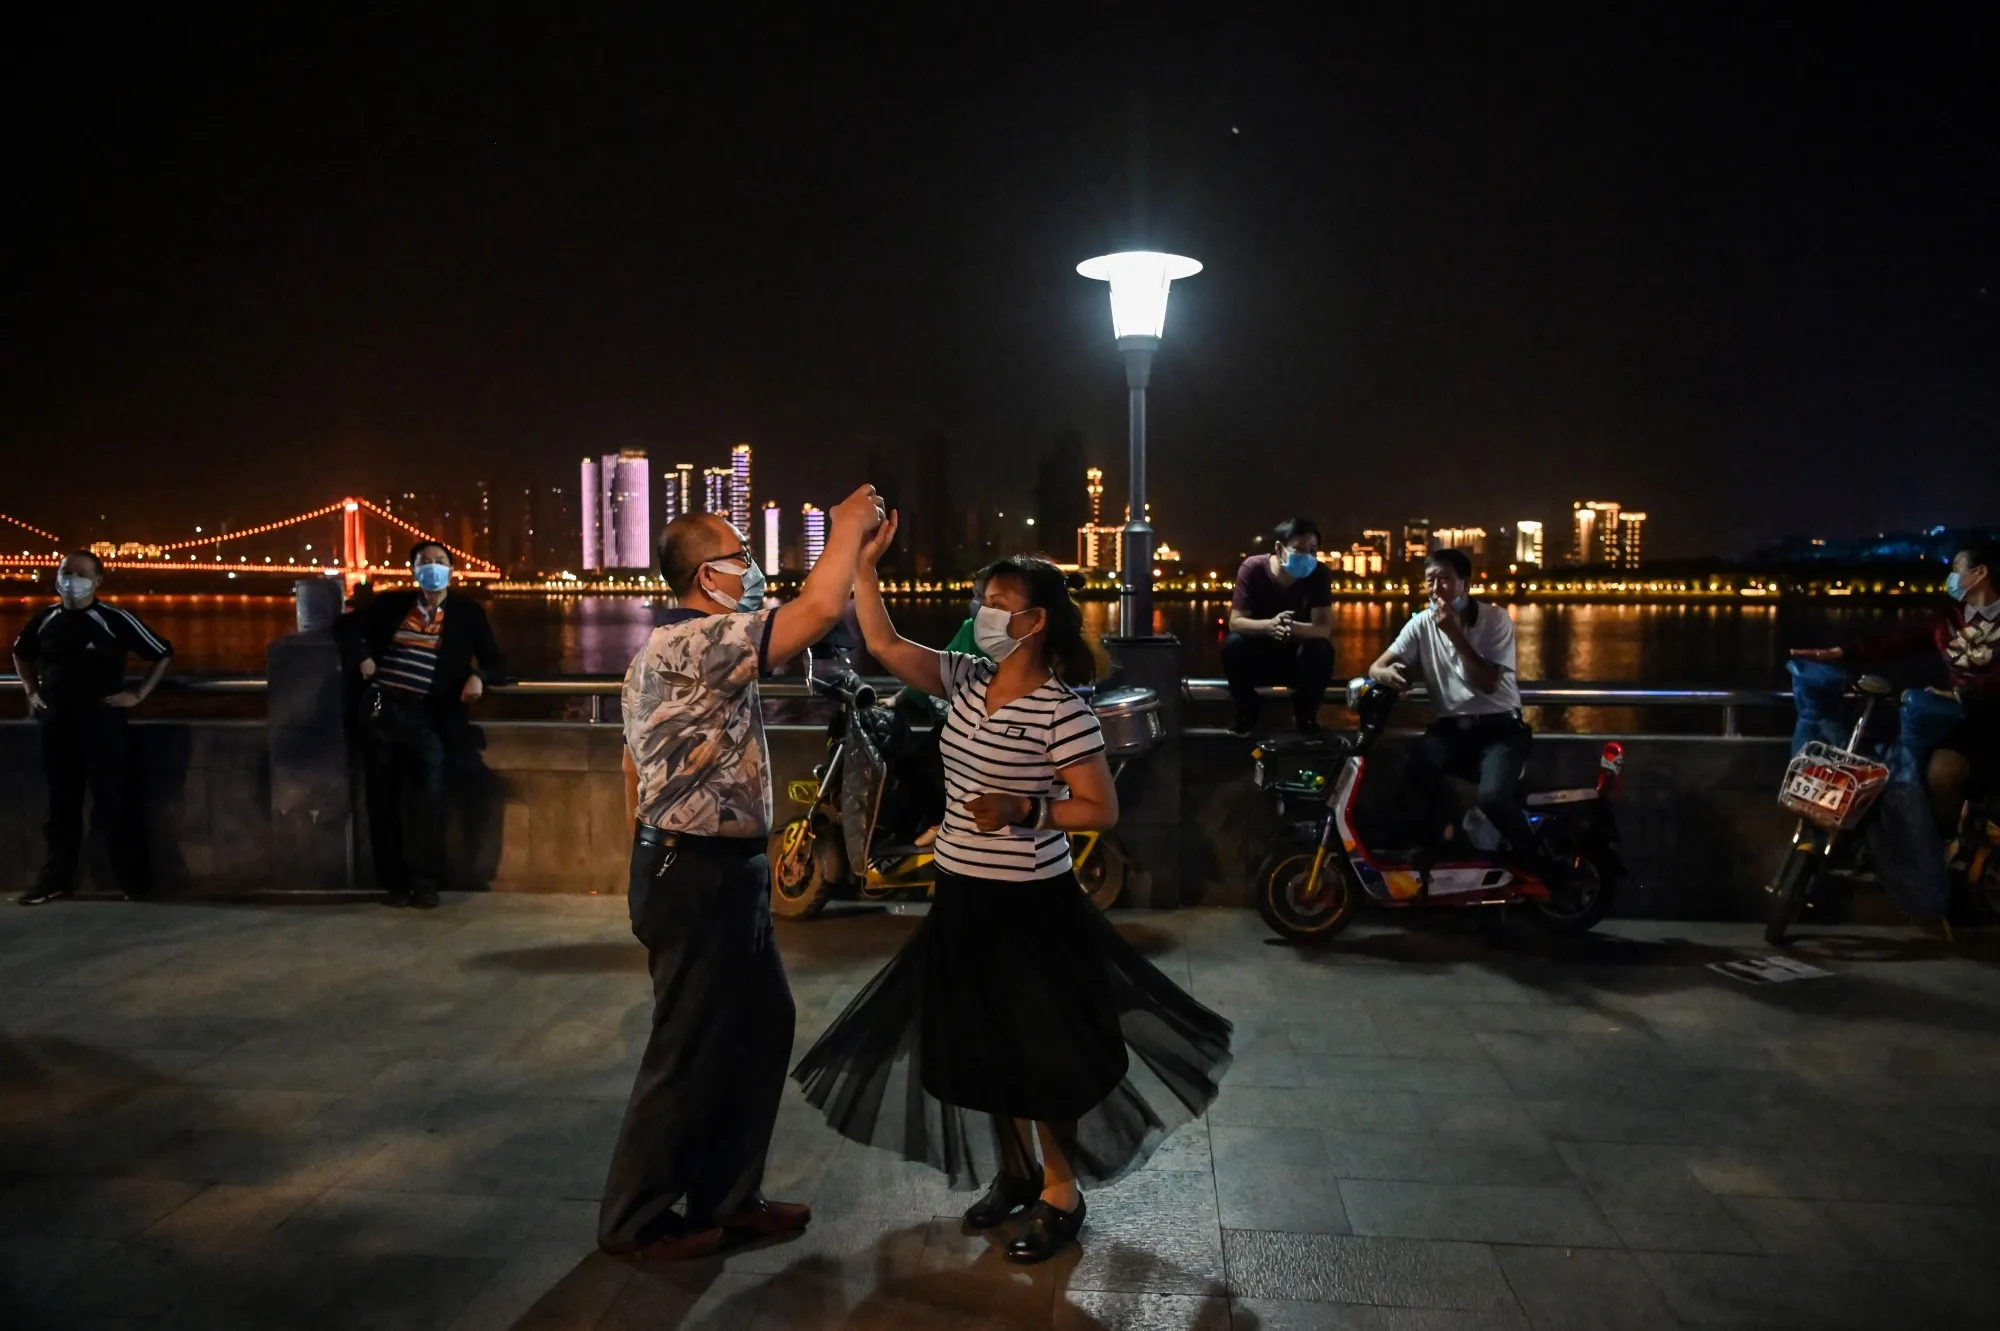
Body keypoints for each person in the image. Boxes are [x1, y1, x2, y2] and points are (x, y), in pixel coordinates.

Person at [793, 516, 1232, 1266]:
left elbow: (1100, 806)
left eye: (999, 601)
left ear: (1034, 620)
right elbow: (887, 644)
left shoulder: (1063, 709)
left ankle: (1063, 1192)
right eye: (981, 599)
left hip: (1031, 902)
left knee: (1039, 1049)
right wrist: (864, 565)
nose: (982, 613)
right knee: (981, 1041)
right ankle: (1017, 1170)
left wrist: (1025, 808)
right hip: (963, 891)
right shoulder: (965, 680)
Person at [598, 483, 886, 1262]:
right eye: (743, 556)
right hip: (695, 873)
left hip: (724, 868)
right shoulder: (690, 642)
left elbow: (633, 765)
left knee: (761, 1028)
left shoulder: (701, 644)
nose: (755, 569)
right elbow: (816, 613)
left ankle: (728, 1196)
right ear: (705, 574)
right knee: (687, 1045)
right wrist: (848, 522)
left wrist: (856, 560)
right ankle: (636, 1220)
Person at [335, 542, 505, 909]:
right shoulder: (393, 604)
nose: (432, 568)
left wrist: (479, 677)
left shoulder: (466, 613)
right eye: (424, 562)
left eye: (440, 562)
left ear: (452, 570)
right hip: (382, 711)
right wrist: (362, 658)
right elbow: (345, 626)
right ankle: (393, 883)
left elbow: (497, 661)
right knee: (382, 801)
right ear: (412, 569)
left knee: (428, 800)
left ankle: (426, 880)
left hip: (430, 717)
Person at [1791, 540, 1998, 833]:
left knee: (1946, 773)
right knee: (1920, 770)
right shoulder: (1947, 620)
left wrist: (1962, 693)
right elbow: (1896, 642)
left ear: (1980, 573)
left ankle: (1961, 847)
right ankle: (1945, 845)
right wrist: (1840, 653)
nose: (1951, 577)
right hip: (1959, 722)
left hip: (1992, 721)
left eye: (1956, 569)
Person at [1366, 547, 1537, 881]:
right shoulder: (1420, 624)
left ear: (1465, 584)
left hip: (1500, 729)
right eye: (1430, 580)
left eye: (1445, 579)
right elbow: (1377, 665)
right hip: (1452, 730)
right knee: (1415, 769)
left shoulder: (1494, 620)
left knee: (1493, 798)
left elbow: (1488, 683)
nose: (1436, 588)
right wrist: (1388, 675)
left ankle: (1538, 867)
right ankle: (1445, 838)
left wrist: (1454, 633)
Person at [12, 553, 174, 905]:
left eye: (80, 574)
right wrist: (30, 690)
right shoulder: (45, 619)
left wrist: (139, 693)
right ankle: (55, 881)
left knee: (114, 802)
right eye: (65, 572)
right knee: (61, 805)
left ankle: (134, 882)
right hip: (57, 725)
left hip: (103, 725)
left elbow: (162, 651)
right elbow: (21, 653)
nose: (71, 579)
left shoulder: (113, 619)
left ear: (98, 581)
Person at [1224, 517, 1335, 734]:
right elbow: (1235, 622)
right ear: (1279, 548)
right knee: (1233, 644)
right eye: (1299, 549)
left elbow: (1323, 628)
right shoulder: (1253, 568)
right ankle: (1247, 711)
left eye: (1312, 550)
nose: (1307, 556)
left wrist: (1290, 627)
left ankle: (1306, 717)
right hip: (1259, 657)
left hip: (1297, 661)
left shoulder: (1319, 574)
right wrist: (1269, 626)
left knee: (1321, 649)